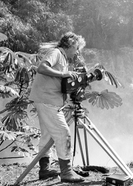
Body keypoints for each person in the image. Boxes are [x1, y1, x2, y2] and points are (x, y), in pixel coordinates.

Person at [29, 32, 86, 183]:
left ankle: (44, 170)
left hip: (47, 99)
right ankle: (66, 172)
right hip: (47, 100)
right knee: (63, 133)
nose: (77, 51)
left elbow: (59, 80)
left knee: (47, 135)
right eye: (77, 48)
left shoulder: (63, 58)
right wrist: (63, 74)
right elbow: (41, 68)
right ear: (71, 45)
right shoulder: (56, 53)